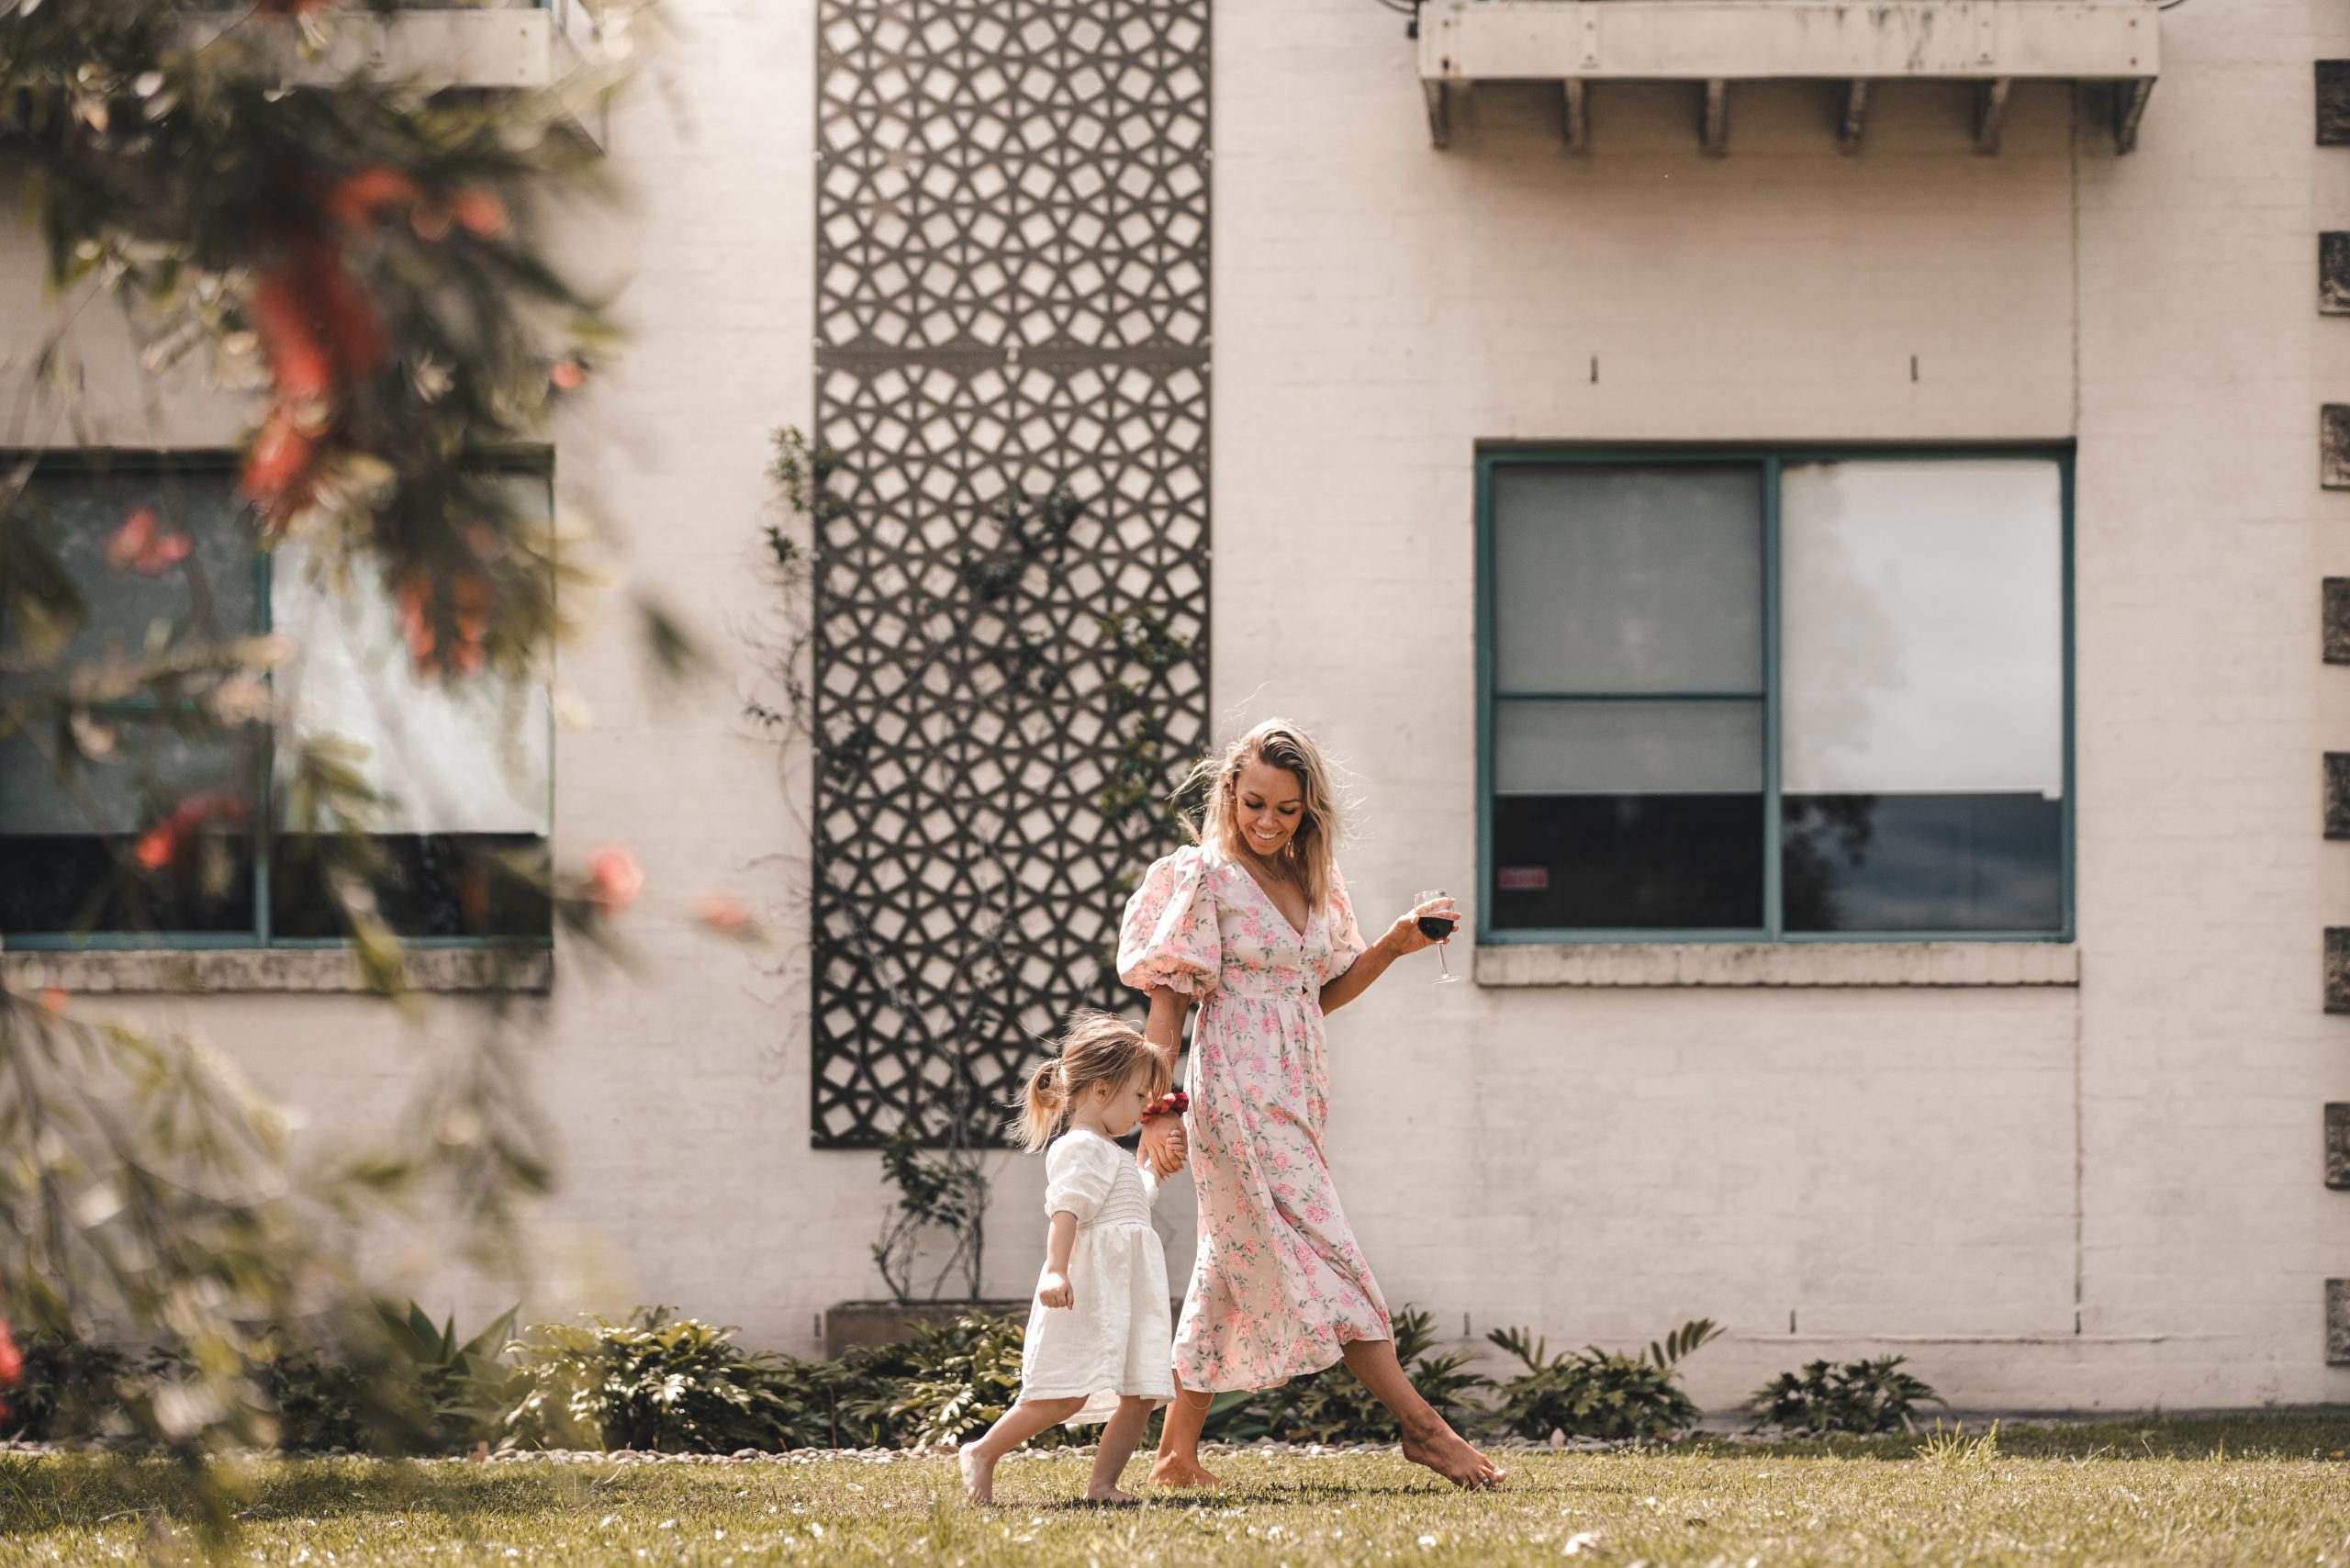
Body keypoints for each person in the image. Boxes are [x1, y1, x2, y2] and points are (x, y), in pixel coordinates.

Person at [1120, 719, 1504, 1489]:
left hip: (1297, 1097)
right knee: (1336, 1258)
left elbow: (1313, 997)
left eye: (1286, 810)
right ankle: (1425, 1429)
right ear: (1230, 790)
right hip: (1231, 1100)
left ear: (1307, 811)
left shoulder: (1313, 880)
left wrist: (1393, 945)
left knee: (1224, 1266)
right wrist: (1159, 1108)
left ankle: (1173, 1457)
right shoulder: (1202, 877)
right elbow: (1167, 1008)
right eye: (1255, 802)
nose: (1267, 822)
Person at [958, 1013, 1181, 1506]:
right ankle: (983, 1451)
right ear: (1101, 1091)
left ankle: (1103, 1486)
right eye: (1140, 1097)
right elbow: (1066, 1211)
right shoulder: (1080, 1146)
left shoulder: (1109, 1149)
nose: (1146, 1108)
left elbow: (1129, 1202)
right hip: (1092, 1287)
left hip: (1127, 1287)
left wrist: (1151, 1172)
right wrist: (1056, 1269)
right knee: (1063, 1395)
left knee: (1141, 1392)